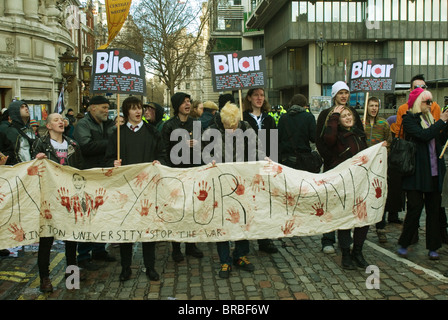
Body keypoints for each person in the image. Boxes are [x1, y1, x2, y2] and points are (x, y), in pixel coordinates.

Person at [105, 96, 165, 282]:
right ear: (126, 112)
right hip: (125, 189)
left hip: (147, 187)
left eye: (140, 108)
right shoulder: (118, 134)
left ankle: (150, 266)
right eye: (133, 109)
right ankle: (125, 267)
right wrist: (111, 163)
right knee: (126, 229)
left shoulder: (152, 132)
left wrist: (159, 162)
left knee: (148, 229)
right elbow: (107, 159)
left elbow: (162, 153)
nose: (138, 112)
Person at [205, 102, 263, 278]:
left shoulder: (246, 128)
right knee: (222, 219)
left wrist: (263, 159)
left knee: (243, 217)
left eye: (234, 126)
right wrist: (209, 160)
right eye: (227, 127)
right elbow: (203, 150)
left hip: (242, 180)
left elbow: (258, 148)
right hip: (221, 181)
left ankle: (240, 254)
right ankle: (224, 260)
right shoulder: (212, 130)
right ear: (222, 123)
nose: (231, 130)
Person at [32, 113, 84, 292]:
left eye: (62, 119)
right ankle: (44, 278)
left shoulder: (73, 145)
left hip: (69, 196)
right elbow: (30, 170)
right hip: (48, 198)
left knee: (71, 237)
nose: (60, 121)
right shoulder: (40, 144)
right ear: (48, 126)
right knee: (46, 239)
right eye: (55, 120)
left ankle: (72, 272)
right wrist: (36, 161)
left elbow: (80, 171)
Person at [397, 88, 448, 260]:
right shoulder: (409, 119)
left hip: (434, 172)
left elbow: (439, 139)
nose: (431, 105)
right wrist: (441, 122)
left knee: (434, 211)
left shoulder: (431, 119)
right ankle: (404, 242)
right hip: (416, 174)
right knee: (414, 209)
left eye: (432, 101)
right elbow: (423, 135)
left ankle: (433, 247)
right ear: (419, 102)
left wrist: (445, 125)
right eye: (427, 101)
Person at [315, 81, 364, 254]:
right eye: (340, 93)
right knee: (331, 202)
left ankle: (346, 237)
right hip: (333, 166)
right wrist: (331, 159)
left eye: (346, 93)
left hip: (351, 168)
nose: (343, 96)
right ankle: (327, 239)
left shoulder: (353, 114)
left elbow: (360, 136)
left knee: (348, 202)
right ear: (334, 95)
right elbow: (320, 141)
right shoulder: (325, 114)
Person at [323, 105, 370, 269]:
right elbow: (328, 139)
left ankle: (358, 251)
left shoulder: (359, 135)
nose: (348, 117)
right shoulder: (337, 137)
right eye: (344, 116)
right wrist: (334, 116)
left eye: (350, 115)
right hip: (344, 184)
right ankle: (346, 254)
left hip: (361, 183)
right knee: (345, 219)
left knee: (363, 219)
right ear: (338, 121)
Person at [73, 95, 117, 270]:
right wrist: (111, 143)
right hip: (89, 175)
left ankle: (99, 248)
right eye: (103, 108)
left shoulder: (108, 124)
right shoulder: (83, 125)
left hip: (105, 174)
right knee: (88, 215)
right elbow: (86, 146)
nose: (107, 111)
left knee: (103, 213)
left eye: (108, 108)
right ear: (92, 108)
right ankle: (83, 255)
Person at [161, 92, 204, 262]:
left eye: (189, 101)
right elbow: (164, 150)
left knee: (192, 210)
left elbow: (204, 147)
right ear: (177, 105)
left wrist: (199, 143)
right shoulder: (168, 126)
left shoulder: (196, 124)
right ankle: (176, 248)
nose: (187, 104)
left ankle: (191, 245)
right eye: (184, 102)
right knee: (177, 211)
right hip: (176, 173)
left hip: (193, 171)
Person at [242, 88, 278, 254]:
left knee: (265, 203)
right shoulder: (242, 118)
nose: (259, 98)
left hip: (265, 164)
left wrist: (273, 162)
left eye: (262, 95)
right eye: (256, 95)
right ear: (249, 97)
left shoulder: (269, 119)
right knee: (248, 202)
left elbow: (273, 143)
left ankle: (265, 239)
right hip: (247, 165)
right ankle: (245, 239)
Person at [364, 97, 392, 243]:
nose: (373, 108)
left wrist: (384, 149)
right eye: (371, 106)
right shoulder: (362, 123)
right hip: (365, 166)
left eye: (376, 106)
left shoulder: (384, 123)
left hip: (380, 166)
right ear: (366, 107)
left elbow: (389, 142)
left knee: (380, 195)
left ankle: (381, 226)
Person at [278, 94, 317, 171]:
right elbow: (314, 138)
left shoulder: (283, 118)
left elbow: (277, 138)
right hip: (304, 160)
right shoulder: (309, 117)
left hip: (286, 161)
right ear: (304, 105)